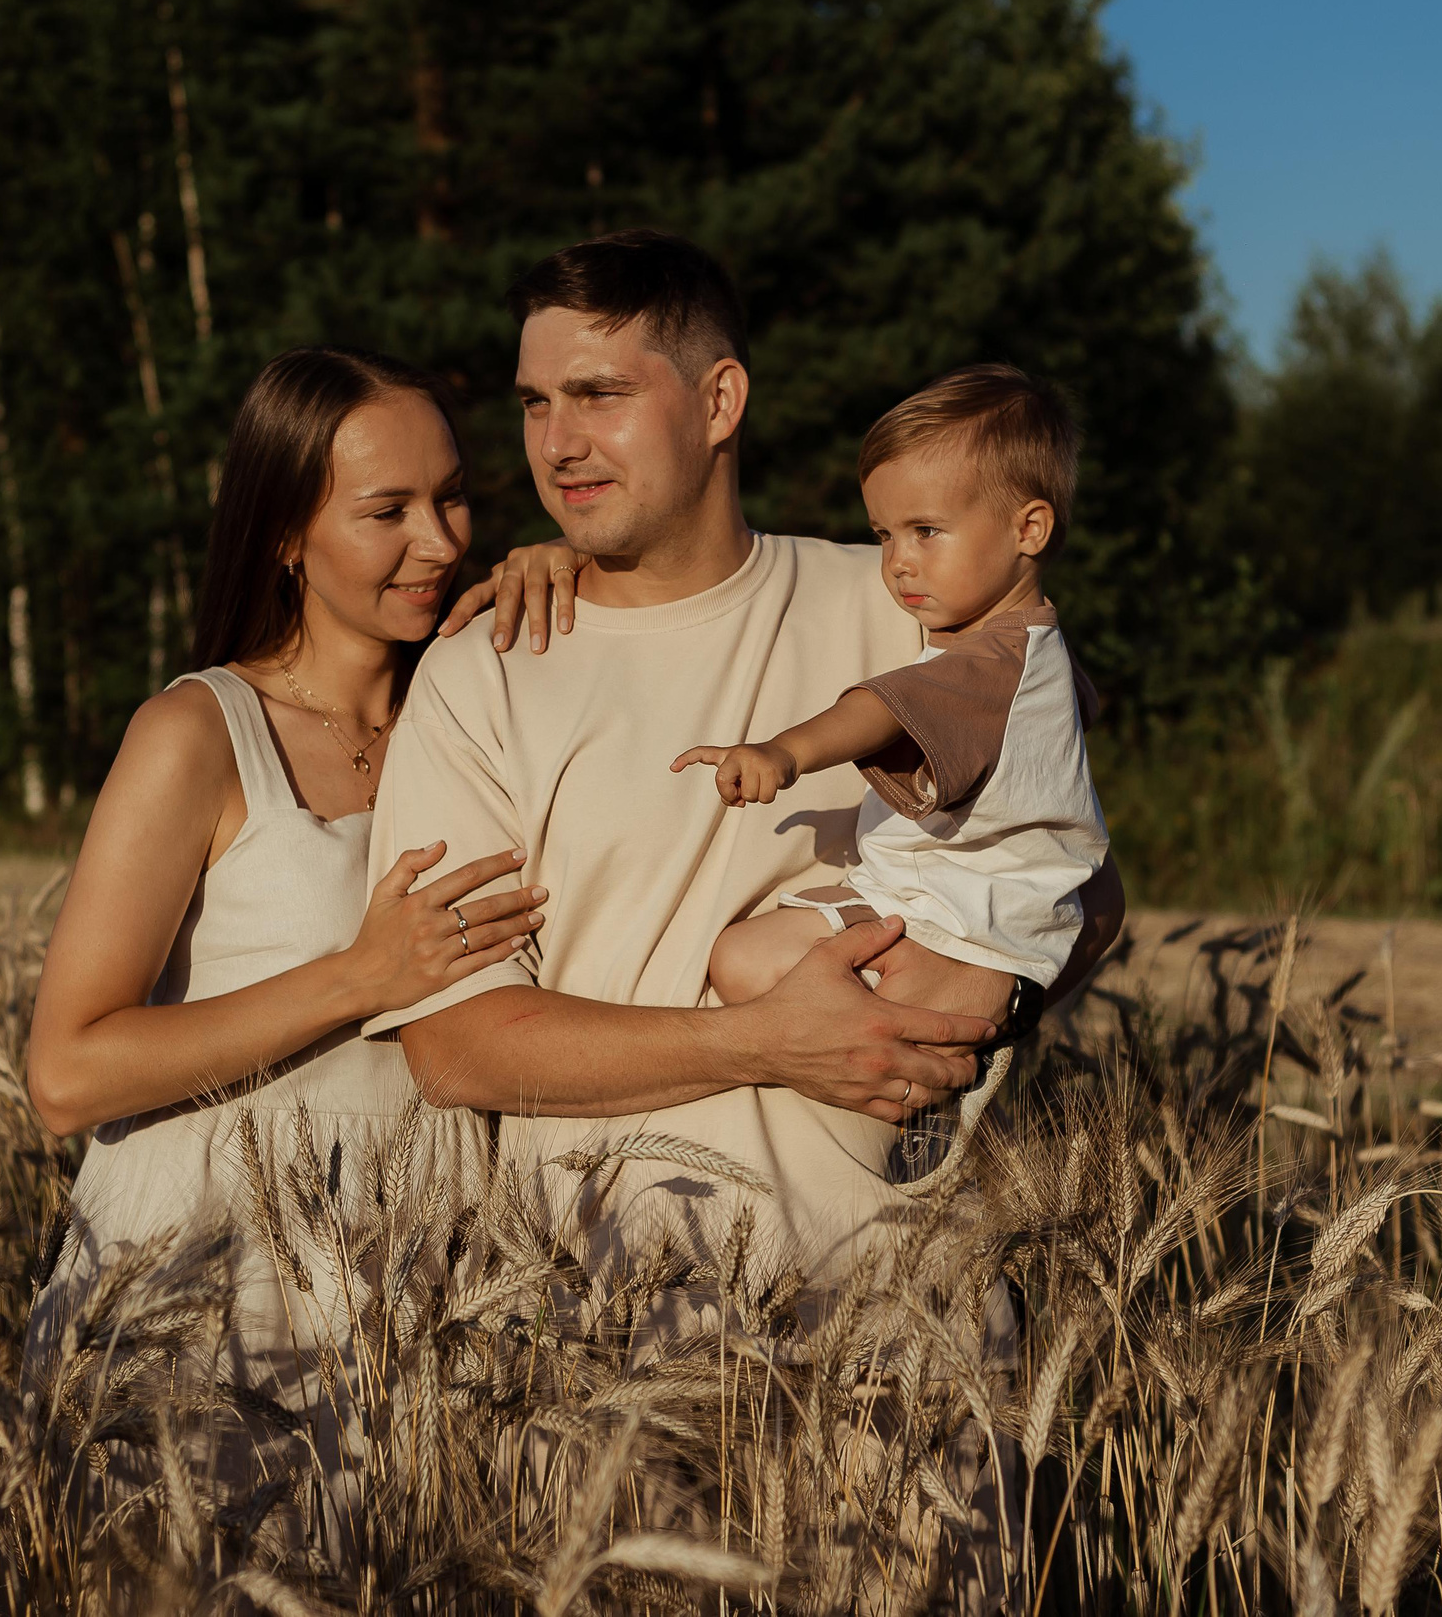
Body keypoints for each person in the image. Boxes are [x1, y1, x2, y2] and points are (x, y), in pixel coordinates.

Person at [365, 231, 1127, 1273]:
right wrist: (762, 1040)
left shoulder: (909, 605)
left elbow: (1080, 884)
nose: (557, 442)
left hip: (900, 1329)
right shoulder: (485, 666)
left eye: (599, 394)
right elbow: (456, 1048)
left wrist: (964, 1013)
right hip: (603, 1340)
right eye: (534, 403)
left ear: (720, 402)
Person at [22, 346, 559, 1377]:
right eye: (385, 511)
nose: (440, 541)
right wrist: (361, 979)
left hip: (422, 1289)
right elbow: (65, 1075)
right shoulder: (198, 733)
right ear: (283, 535)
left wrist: (577, 579)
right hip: (199, 1290)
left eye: (452, 499)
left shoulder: (486, 719)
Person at [675, 364, 1111, 1191]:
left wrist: (783, 752)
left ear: (1030, 527)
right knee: (746, 964)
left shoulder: (988, 661)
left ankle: (924, 1080)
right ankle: (926, 1089)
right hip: (962, 907)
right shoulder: (1042, 646)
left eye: (926, 531)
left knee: (744, 965)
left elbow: (878, 709)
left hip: (949, 920)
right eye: (883, 536)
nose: (899, 564)